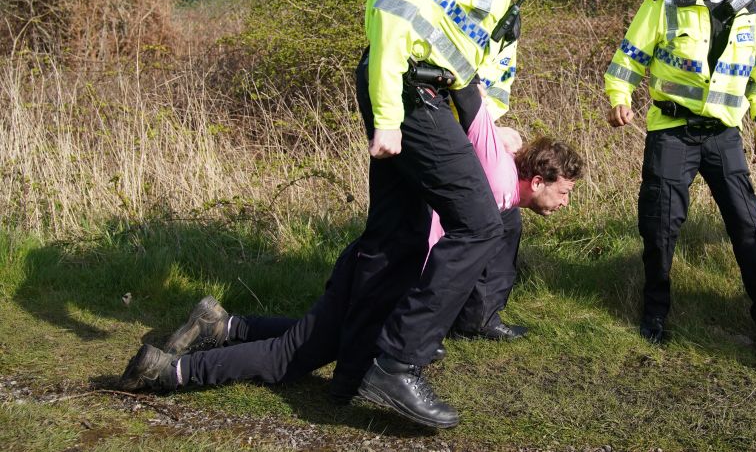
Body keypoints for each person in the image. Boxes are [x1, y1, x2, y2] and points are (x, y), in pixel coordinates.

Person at [118, 95, 584, 409]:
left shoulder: (496, 169)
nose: (564, 206)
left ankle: (221, 325)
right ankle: (169, 371)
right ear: (537, 181)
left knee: (320, 339)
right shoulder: (500, 187)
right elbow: (476, 104)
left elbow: (480, 119)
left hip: (383, 256)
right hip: (384, 264)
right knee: (290, 356)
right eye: (562, 194)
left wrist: (511, 136)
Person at [350, 0, 584, 428]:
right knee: (480, 222)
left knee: (395, 233)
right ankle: (397, 364)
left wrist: (485, 122)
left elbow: (480, 54)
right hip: (406, 86)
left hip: (432, 93)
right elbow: (393, 16)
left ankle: (352, 355)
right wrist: (386, 115)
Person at [603, 0, 756, 360]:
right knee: (660, 225)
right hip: (671, 130)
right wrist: (619, 96)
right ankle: (655, 314)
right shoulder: (663, 1)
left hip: (724, 135)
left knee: (749, 226)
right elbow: (630, 55)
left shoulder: (751, 6)